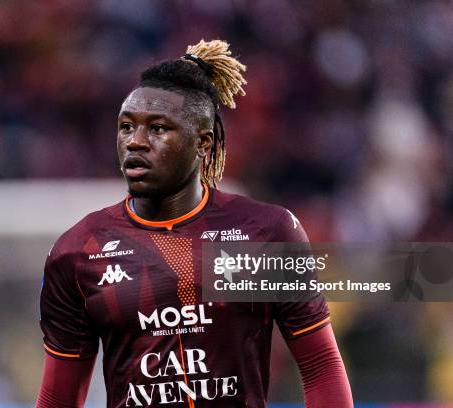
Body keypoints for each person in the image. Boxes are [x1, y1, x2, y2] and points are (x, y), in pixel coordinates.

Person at [37, 39, 353, 407]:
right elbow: (58, 398)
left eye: (157, 128)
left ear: (202, 143)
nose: (136, 142)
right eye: (126, 127)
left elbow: (321, 367)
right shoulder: (78, 251)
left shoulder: (266, 232)